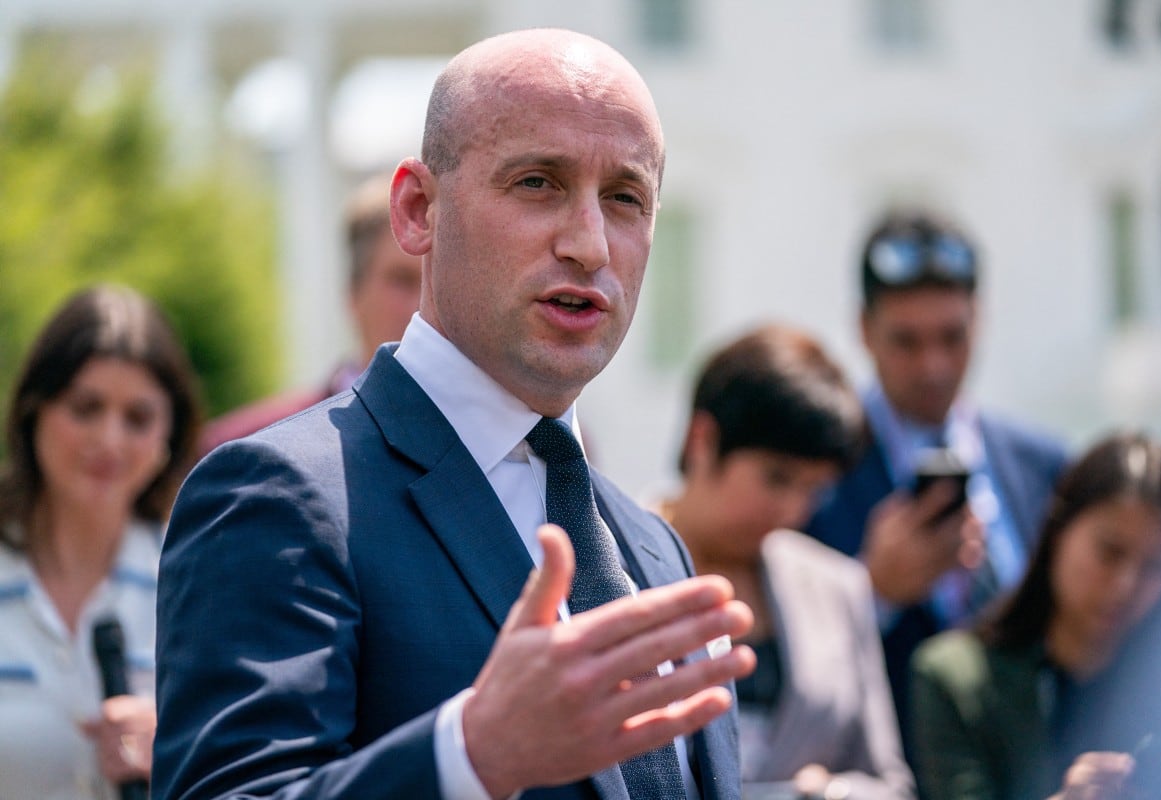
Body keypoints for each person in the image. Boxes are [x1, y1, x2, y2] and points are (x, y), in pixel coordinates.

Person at [153, 27, 756, 800]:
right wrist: (471, 756)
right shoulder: (278, 497)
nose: (589, 244)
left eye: (625, 198)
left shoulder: (652, 547)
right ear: (417, 211)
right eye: (538, 182)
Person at [805, 209, 1069, 740]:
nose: (934, 366)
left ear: (981, 317)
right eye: (907, 341)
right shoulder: (810, 470)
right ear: (863, 329)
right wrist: (871, 592)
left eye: (954, 336)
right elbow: (781, 669)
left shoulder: (1047, 466)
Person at [655, 325, 916, 800]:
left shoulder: (837, 586)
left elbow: (890, 784)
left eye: (814, 489)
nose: (794, 510)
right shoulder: (604, 564)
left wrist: (830, 793)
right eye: (777, 478)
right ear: (703, 440)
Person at [909, 432, 1161, 800]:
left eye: (1154, 566)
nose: (1126, 585)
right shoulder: (955, 680)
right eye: (1110, 552)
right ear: (1059, 528)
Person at [0, 285, 202, 800]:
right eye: (86, 407)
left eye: (137, 417)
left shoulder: (199, 581)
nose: (109, 440)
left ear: (169, 436)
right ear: (32, 410)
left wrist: (180, 751)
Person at [198, 170, 422, 455]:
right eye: (402, 280)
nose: (422, 305)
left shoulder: (489, 452)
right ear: (353, 291)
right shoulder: (244, 451)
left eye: (439, 283)